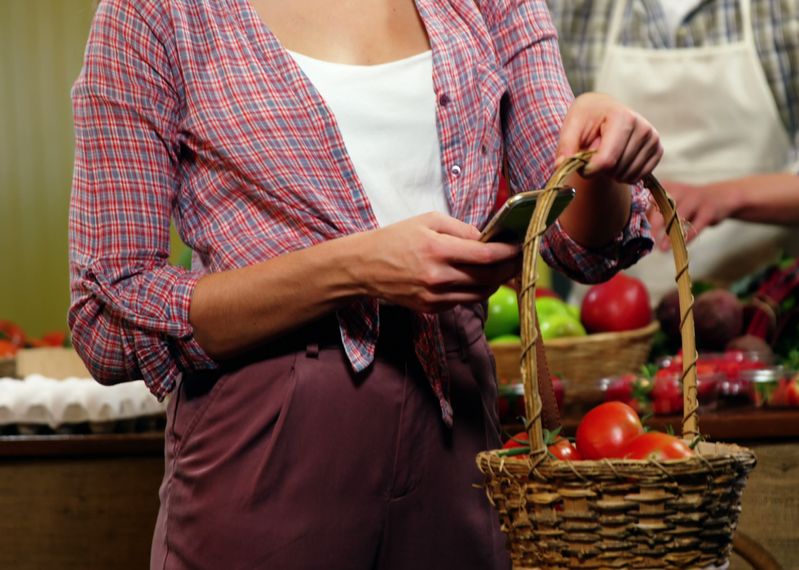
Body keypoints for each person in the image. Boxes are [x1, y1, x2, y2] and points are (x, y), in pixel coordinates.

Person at [68, 0, 662, 567]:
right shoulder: (154, 13)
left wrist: (604, 153)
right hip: (265, 445)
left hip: (458, 427)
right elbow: (109, 317)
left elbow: (577, 242)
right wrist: (352, 268)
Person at [550, 0, 799, 302]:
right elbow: (553, 166)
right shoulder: (571, 7)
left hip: (765, 320)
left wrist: (723, 197)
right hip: (608, 332)